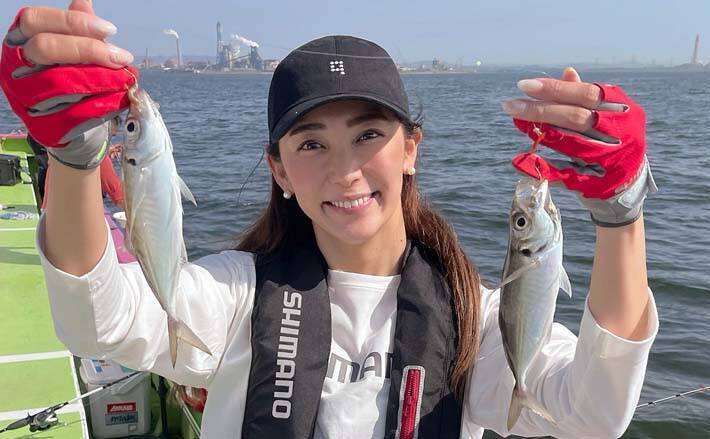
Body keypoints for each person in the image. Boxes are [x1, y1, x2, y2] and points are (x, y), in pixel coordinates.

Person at [0, 2, 659, 438]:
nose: (345, 170)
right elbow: (100, 320)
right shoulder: (238, 295)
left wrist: (621, 215)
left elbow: (594, 412)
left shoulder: (478, 318)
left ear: (411, 148)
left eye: (369, 134)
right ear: (280, 170)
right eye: (312, 143)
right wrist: (76, 157)